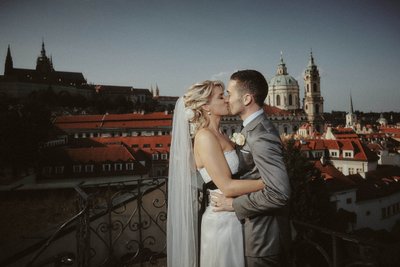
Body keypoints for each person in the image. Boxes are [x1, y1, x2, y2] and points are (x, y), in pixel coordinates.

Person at [167, 80, 265, 267]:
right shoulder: (205, 137)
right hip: (222, 220)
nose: (228, 100)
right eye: (221, 96)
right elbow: (227, 186)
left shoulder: (221, 133)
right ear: (206, 106)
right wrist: (266, 183)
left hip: (234, 213)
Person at [212, 70, 291, 267]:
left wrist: (233, 205)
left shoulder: (261, 134)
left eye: (230, 93)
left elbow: (280, 193)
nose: (227, 99)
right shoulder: (251, 128)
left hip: (263, 239)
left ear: (247, 98)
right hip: (254, 235)